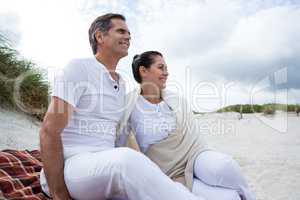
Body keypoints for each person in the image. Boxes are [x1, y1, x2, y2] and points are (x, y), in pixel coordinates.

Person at [39, 14, 203, 200]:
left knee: (146, 173)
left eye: (129, 33)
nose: (128, 37)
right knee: (127, 161)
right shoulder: (79, 68)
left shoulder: (121, 83)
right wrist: (58, 193)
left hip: (105, 167)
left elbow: (120, 133)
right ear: (100, 37)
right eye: (121, 31)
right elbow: (49, 131)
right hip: (73, 166)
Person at [119, 51, 256, 200]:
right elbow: (122, 143)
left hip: (194, 156)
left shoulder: (176, 100)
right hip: (164, 172)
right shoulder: (128, 107)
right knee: (229, 197)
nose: (166, 73)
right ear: (143, 71)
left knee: (226, 167)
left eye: (166, 68)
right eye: (161, 68)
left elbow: (193, 137)